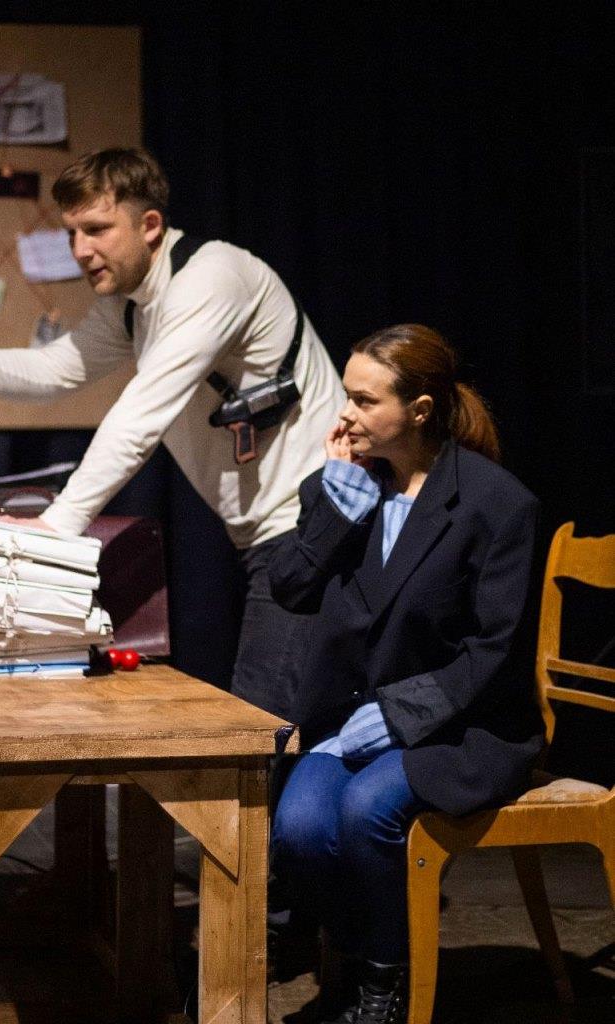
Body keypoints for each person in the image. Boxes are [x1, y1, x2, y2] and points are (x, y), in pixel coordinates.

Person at [0, 147, 344, 719]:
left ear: (149, 225)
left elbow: (142, 414)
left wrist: (58, 524)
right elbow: (54, 370)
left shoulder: (212, 277)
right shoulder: (132, 306)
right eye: (72, 233)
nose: (81, 249)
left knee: (262, 734)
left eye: (97, 229)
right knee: (271, 730)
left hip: (312, 526)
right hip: (268, 537)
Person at [267, 324, 545, 1023]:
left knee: (367, 812)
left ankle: (383, 983)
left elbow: (493, 650)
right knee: (299, 827)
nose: (346, 415)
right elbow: (289, 588)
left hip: (463, 724)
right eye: (346, 395)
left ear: (419, 411)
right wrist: (336, 510)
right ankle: (360, 953)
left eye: (365, 401)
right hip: (352, 718)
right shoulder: (344, 487)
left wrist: (398, 715)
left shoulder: (494, 505)